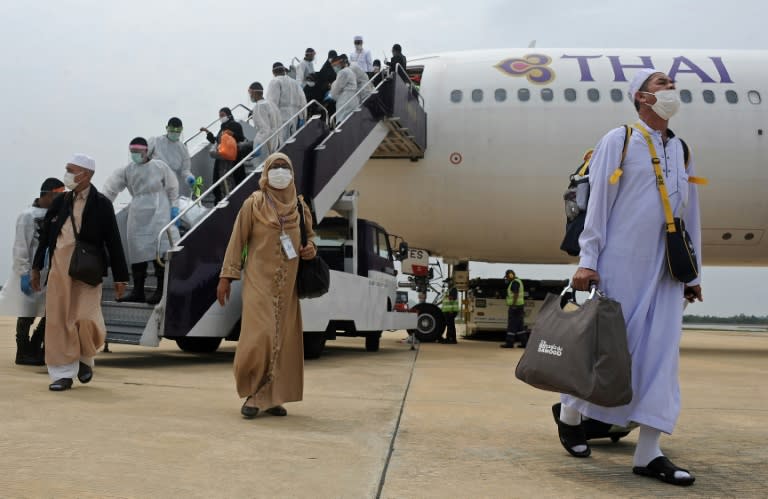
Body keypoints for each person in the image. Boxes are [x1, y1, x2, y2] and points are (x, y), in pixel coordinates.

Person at [559, 69, 702, 486]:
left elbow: (690, 214)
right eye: (661, 84)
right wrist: (588, 260)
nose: (670, 89)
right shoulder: (619, 140)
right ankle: (570, 413)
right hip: (621, 264)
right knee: (607, 351)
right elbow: (599, 203)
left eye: (672, 84)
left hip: (667, 272)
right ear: (641, 97)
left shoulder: (681, 150)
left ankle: (649, 452)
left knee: (662, 358)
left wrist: (693, 273)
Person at [216, 152, 317, 419]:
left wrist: (311, 250)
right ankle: (254, 388)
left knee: (282, 341)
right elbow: (237, 240)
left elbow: (310, 239)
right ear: (266, 172)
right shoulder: (255, 203)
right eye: (276, 167)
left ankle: (268, 397)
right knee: (260, 337)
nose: (281, 171)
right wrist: (226, 277)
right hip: (258, 282)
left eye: (286, 166)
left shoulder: (299, 207)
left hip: (288, 287)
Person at [31, 154, 129, 391]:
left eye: (71, 170)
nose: (67, 174)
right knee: (58, 320)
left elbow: (114, 241)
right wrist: (36, 268)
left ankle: (85, 356)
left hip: (87, 270)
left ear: (86, 174)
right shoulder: (60, 201)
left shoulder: (101, 203)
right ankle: (62, 373)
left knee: (86, 318)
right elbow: (45, 237)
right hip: (59, 269)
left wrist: (120, 276)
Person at [102, 137, 180, 305]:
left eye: (137, 152)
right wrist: (101, 206)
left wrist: (175, 207)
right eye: (132, 152)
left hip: (158, 210)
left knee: (158, 249)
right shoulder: (127, 170)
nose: (135, 155)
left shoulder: (160, 166)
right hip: (137, 211)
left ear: (146, 151)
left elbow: (173, 187)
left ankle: (161, 290)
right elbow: (111, 188)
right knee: (137, 250)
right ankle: (138, 290)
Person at [2, 178, 65, 365]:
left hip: (50, 273)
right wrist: (23, 273)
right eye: (58, 195)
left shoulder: (57, 215)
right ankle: (23, 351)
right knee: (27, 313)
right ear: (49, 194)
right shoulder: (27, 216)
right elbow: (21, 246)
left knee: (50, 313)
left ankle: (36, 347)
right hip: (31, 272)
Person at [200, 107, 246, 203]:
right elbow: (216, 141)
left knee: (235, 178)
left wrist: (232, 134)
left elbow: (241, 138)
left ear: (229, 115)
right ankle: (220, 201)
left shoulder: (236, 125)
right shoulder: (222, 128)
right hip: (221, 158)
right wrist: (207, 132)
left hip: (233, 158)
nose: (221, 117)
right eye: (219, 116)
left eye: (222, 115)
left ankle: (236, 200)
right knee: (218, 181)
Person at [149, 117, 195, 197]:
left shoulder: (182, 149)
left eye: (177, 131)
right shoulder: (155, 141)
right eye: (172, 130)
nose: (175, 133)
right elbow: (143, 158)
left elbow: (185, 170)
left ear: (181, 130)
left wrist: (190, 179)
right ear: (167, 128)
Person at [267, 62, 308, 142]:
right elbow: (303, 101)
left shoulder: (275, 82)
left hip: (281, 118)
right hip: (295, 117)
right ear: (284, 70)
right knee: (294, 142)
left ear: (273, 72)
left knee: (282, 144)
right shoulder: (294, 82)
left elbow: (272, 103)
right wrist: (303, 117)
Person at [248, 82, 281, 161]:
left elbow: (264, 129)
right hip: (277, 140)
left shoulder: (259, 106)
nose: (250, 95)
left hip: (266, 144)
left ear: (254, 93)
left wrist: (258, 145)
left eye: (250, 93)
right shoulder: (271, 104)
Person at [329, 55, 359, 124]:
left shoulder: (342, 72)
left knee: (343, 122)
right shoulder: (349, 71)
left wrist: (331, 94)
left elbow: (336, 89)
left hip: (345, 100)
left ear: (340, 63)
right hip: (353, 99)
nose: (334, 68)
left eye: (335, 65)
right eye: (333, 66)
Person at [504, 270, 526, 345]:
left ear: (510, 275)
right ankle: (524, 343)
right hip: (520, 306)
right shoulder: (518, 281)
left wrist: (513, 305)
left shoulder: (515, 283)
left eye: (507, 277)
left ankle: (509, 343)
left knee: (512, 324)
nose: (506, 279)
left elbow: (516, 294)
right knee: (520, 326)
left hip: (515, 307)